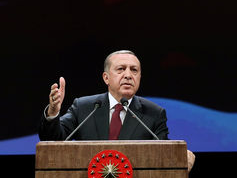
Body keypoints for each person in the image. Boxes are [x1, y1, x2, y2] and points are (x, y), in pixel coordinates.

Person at [39, 50, 194, 170]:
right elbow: (52, 141)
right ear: (106, 78)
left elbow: (163, 155)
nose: (128, 75)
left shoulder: (154, 114)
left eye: (134, 70)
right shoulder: (84, 107)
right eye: (121, 69)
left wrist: (179, 158)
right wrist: (53, 112)